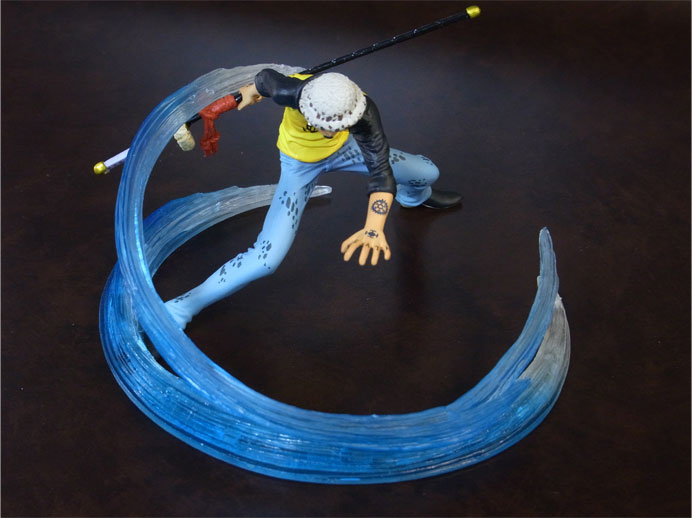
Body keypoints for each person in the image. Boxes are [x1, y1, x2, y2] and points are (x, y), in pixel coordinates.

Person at [165, 69, 461, 329]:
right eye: (323, 124)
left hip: (346, 152)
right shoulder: (289, 90)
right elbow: (263, 80)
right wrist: (247, 93)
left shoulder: (363, 110)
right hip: (299, 166)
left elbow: (381, 172)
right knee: (266, 259)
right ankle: (181, 308)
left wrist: (374, 227)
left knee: (426, 172)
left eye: (338, 125)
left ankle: (413, 198)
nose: (329, 132)